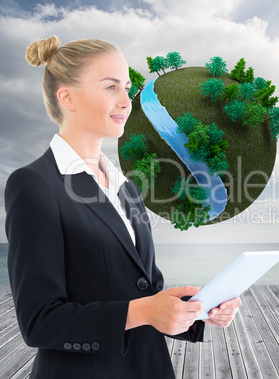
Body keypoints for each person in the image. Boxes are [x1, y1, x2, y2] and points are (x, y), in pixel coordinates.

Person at [4, 36, 241, 379]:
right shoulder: (34, 185)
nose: (126, 101)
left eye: (127, 88)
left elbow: (146, 291)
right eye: (110, 87)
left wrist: (199, 310)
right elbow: (39, 322)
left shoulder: (126, 187)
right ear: (67, 97)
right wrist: (144, 310)